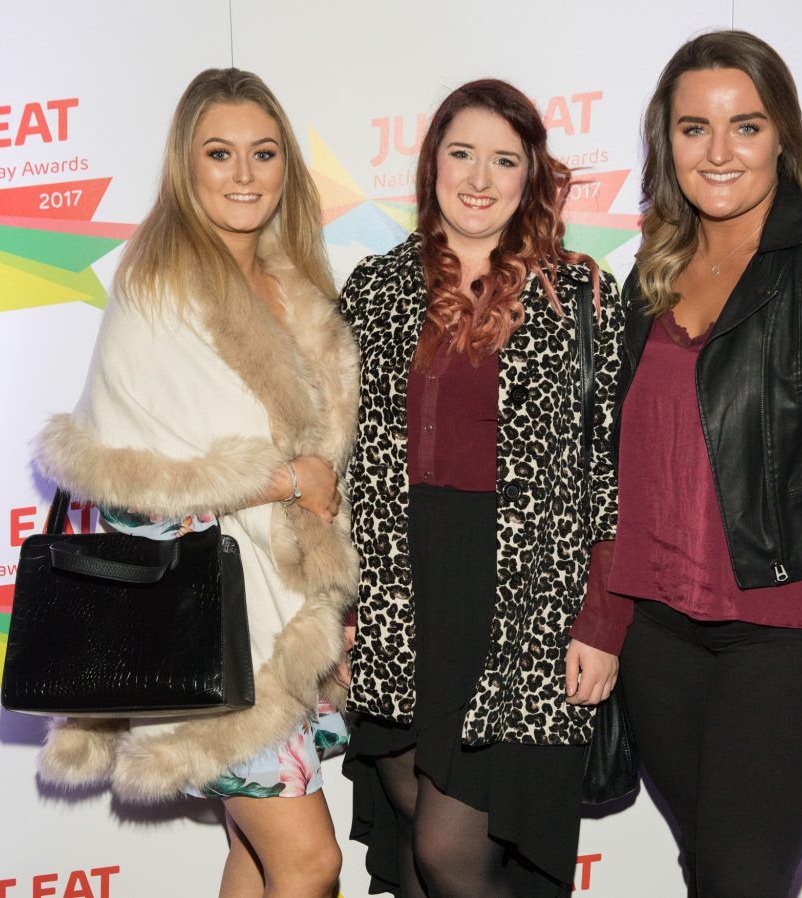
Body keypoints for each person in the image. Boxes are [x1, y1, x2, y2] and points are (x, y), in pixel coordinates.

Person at [574, 31, 802, 898]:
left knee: (741, 877)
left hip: (791, 636)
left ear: (783, 137)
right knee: (712, 869)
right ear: (667, 143)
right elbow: (628, 469)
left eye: (747, 126)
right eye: (695, 128)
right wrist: (606, 620)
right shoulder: (651, 271)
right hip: (661, 635)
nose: (719, 152)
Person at [34, 68, 359, 898]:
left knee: (255, 854)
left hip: (285, 617)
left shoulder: (291, 283)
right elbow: (129, 483)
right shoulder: (159, 286)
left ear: (288, 166)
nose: (245, 174)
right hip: (214, 630)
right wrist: (284, 478)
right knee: (309, 861)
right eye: (221, 154)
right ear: (187, 164)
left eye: (264, 153)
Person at [339, 79, 625, 898]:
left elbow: (614, 473)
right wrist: (342, 606)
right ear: (432, 164)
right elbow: (342, 459)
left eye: (505, 160)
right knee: (414, 852)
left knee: (451, 853)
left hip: (519, 602)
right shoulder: (375, 289)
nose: (479, 177)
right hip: (396, 595)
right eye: (461, 153)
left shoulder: (580, 295)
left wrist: (603, 621)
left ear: (531, 175)